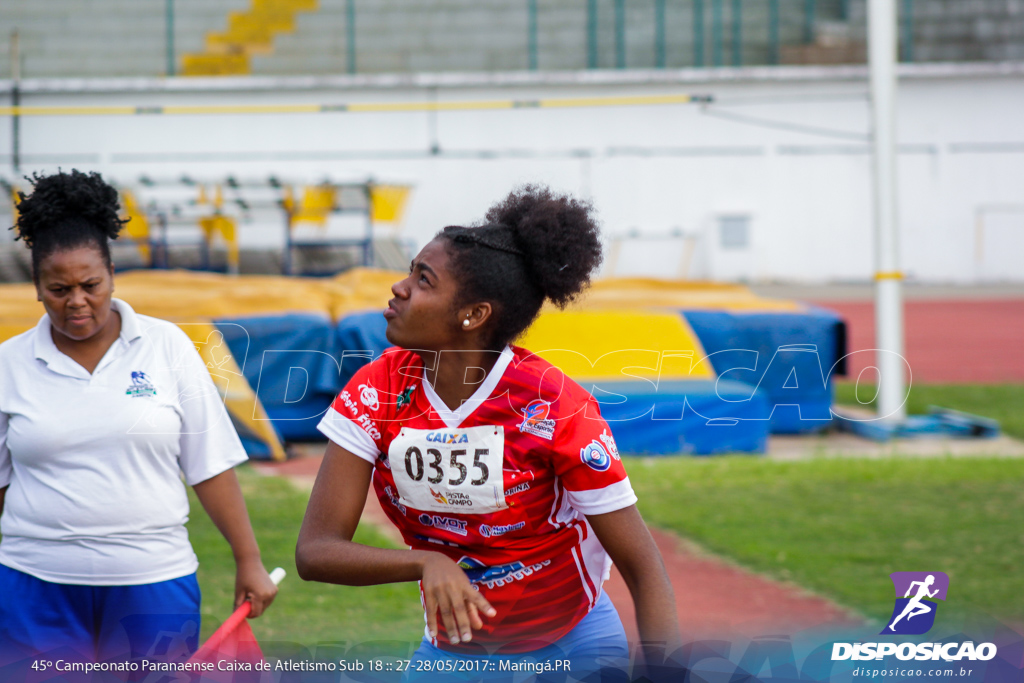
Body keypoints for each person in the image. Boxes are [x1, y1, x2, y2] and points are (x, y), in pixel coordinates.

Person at [296, 185, 681, 677]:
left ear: (473, 315)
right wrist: (426, 563)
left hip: (572, 648)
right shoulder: (377, 389)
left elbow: (643, 568)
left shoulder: (556, 406)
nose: (399, 288)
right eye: (409, 272)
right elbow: (315, 550)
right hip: (453, 655)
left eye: (423, 280)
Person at [0, 170, 278, 666]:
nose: (77, 301)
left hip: (153, 584)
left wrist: (248, 560)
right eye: (58, 288)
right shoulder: (9, 364)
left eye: (90, 284)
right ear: (37, 288)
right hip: (34, 585)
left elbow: (209, 465)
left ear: (112, 274)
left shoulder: (167, 346)